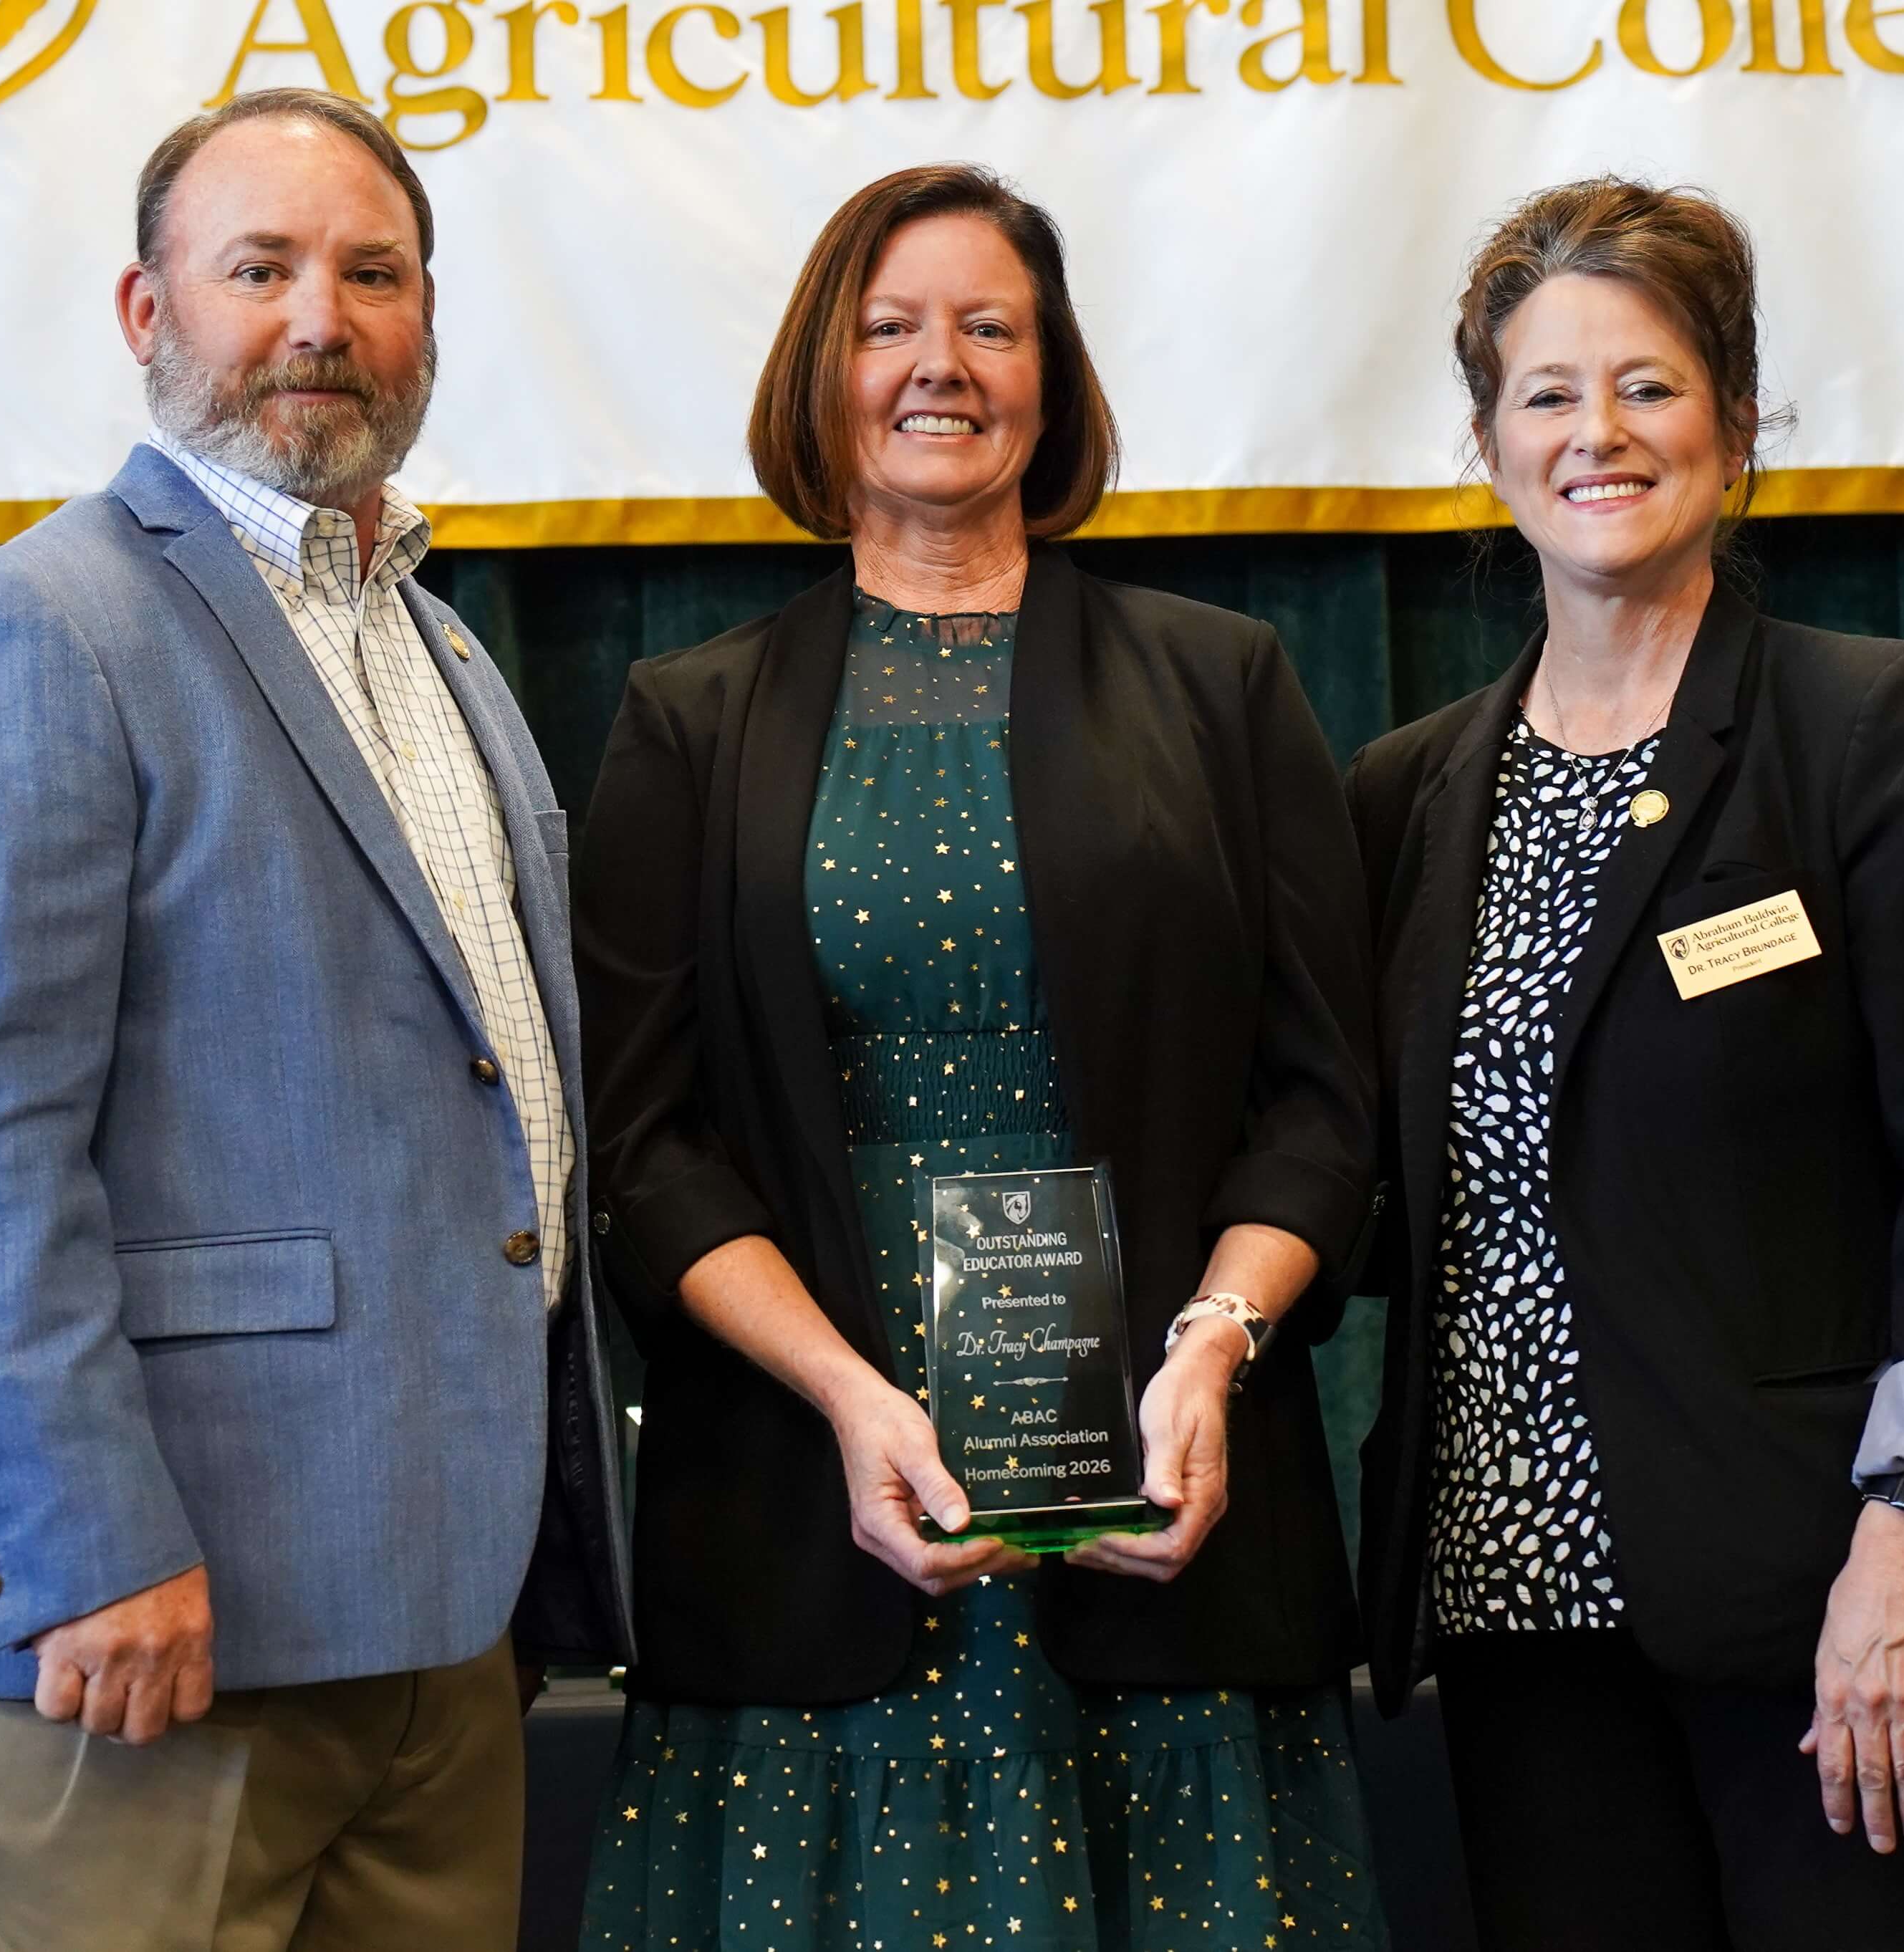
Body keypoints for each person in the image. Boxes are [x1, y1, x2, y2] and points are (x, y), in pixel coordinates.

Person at [572, 164, 1388, 1949]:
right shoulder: (685, 721)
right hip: (810, 1494)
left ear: (1052, 375)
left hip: (1168, 1499)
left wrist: (1216, 1352)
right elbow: (638, 1146)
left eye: (990, 326)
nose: (940, 365)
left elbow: (1323, 1104)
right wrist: (856, 1396)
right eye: (890, 326)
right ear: (821, 373)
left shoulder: (1224, 682)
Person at [0, 87, 628, 1952]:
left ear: (427, 316)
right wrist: (87, 1539)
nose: (318, 319)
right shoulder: (29, 627)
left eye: (372, 273)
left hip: (441, 1649)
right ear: (145, 312)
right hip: (135, 1634)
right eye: (258, 267)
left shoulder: (443, 651)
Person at [1345, 178, 1904, 1951]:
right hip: (1520, 1621)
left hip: (1839, 1613)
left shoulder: (1875, 725)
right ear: (1486, 443)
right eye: (1548, 395)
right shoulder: (1406, 794)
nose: (1596, 434)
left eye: (1649, 386)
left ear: (1740, 425)